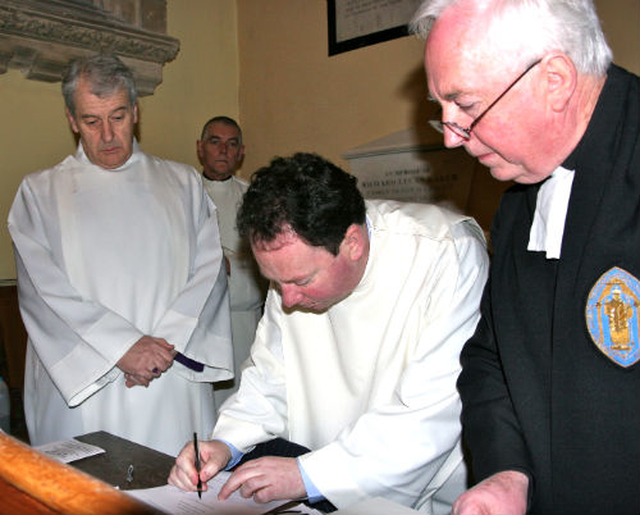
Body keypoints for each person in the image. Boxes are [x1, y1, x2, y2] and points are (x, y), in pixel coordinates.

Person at [411, 1, 640, 514]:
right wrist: (507, 471)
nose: (451, 138)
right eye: (441, 110)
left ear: (555, 80)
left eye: (465, 106)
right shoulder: (522, 191)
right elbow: (492, 356)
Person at [168, 152, 489, 513]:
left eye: (301, 281)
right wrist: (225, 444)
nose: (287, 299)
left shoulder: (445, 254)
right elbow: (271, 375)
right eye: (275, 282)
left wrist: (308, 476)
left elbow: (432, 412)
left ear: (353, 243)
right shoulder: (294, 266)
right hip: (320, 481)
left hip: (425, 493)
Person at [7, 54, 234, 456]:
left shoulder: (182, 183)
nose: (108, 136)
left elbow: (210, 269)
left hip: (171, 372)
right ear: (72, 119)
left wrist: (163, 348)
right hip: (89, 380)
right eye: (92, 121)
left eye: (118, 117)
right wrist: (123, 348)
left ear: (136, 111)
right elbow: (43, 292)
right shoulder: (40, 193)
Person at [197, 116, 267, 406]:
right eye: (215, 142)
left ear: (241, 152)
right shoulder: (182, 194)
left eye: (232, 143)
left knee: (242, 401)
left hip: (244, 320)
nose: (224, 150)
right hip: (198, 321)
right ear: (201, 148)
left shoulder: (255, 197)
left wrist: (231, 263)